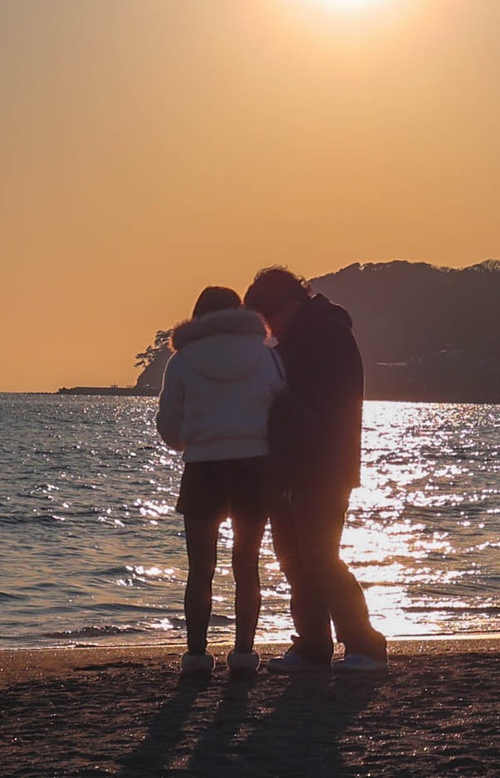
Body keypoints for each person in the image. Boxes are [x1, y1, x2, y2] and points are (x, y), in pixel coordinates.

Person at [243, 266, 388, 673]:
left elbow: (309, 411)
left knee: (318, 557)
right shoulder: (319, 331)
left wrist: (293, 465)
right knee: (298, 557)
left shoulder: (317, 336)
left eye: (269, 318)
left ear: (285, 306)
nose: (269, 329)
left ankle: (363, 644)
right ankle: (314, 645)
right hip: (315, 466)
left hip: (315, 468)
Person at [154, 285, 286, 680]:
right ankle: (244, 652)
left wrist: (190, 442)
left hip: (203, 469)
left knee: (201, 568)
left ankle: (196, 655)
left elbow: (169, 426)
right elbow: (281, 411)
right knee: (247, 566)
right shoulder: (267, 358)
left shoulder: (181, 362)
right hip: (254, 468)